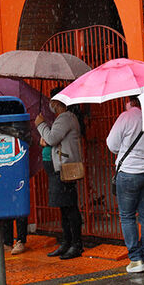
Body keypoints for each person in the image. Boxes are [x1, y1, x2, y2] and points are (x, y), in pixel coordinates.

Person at [106, 97, 144, 273]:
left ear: (131, 102)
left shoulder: (126, 116)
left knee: (127, 215)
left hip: (130, 172)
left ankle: (136, 260)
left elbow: (112, 144)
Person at [35, 87, 84, 260]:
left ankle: (76, 244)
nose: (51, 104)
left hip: (64, 169)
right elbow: (52, 140)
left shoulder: (65, 117)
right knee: (64, 208)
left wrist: (40, 124)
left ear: (58, 102)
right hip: (59, 169)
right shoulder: (63, 118)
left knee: (69, 207)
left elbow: (52, 138)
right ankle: (66, 242)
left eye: (52, 100)